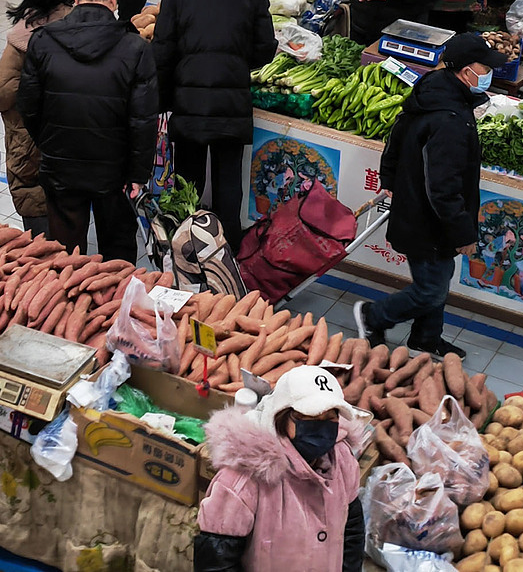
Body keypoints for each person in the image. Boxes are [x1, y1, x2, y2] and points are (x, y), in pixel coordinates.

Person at [353, 32, 503, 356]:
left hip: (416, 207)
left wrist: (390, 177)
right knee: (431, 289)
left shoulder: (431, 96)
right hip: (428, 219)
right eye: (486, 67)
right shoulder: (449, 119)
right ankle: (373, 316)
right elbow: (443, 187)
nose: (491, 74)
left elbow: (395, 139)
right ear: (466, 71)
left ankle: (426, 337)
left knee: (438, 278)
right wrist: (463, 232)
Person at [17, 0, 158, 263]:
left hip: (61, 166)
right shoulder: (135, 47)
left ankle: (66, 306)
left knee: (65, 254)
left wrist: (51, 144)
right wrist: (137, 173)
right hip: (114, 171)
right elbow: (144, 120)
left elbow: (28, 105)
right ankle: (116, 306)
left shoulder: (43, 40)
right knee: (117, 249)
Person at [154, 0, 277, 249]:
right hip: (232, 102)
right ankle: (229, 249)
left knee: (188, 179)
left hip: (188, 102)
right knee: (227, 180)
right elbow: (265, 51)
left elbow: (162, 53)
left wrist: (165, 101)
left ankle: (187, 245)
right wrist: (236, 62)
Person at [195, 364, 368, 572]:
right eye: (309, 418)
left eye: (330, 417)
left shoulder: (342, 460)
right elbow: (216, 563)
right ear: (281, 416)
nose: (321, 426)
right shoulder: (242, 480)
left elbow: (352, 529)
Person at [0, 0, 73, 236]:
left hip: (30, 145)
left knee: (34, 201)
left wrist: (32, 83)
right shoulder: (79, 25)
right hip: (75, 139)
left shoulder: (22, 40)